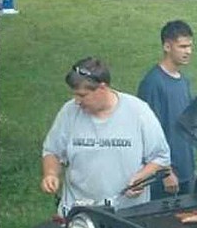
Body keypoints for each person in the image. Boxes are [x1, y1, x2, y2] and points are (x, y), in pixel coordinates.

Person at [41, 57, 171, 216]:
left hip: (127, 213)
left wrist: (140, 179)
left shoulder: (138, 112)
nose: (77, 101)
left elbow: (160, 157)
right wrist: (51, 174)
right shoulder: (69, 112)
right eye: (75, 95)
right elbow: (52, 151)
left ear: (102, 88)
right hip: (79, 214)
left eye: (82, 95)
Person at [137, 19, 196, 198]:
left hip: (186, 171)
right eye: (182, 46)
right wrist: (166, 172)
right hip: (165, 177)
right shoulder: (153, 83)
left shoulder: (183, 81)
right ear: (167, 46)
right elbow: (150, 133)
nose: (188, 51)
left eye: (190, 46)